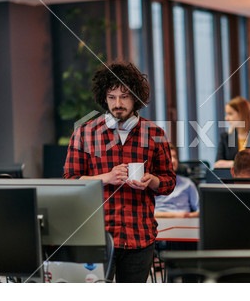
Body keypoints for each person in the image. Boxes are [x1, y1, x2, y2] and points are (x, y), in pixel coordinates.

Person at [63, 61, 176, 283]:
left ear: (136, 98)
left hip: (140, 237)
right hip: (98, 238)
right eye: (112, 97)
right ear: (104, 98)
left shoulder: (155, 133)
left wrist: (152, 180)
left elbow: (169, 182)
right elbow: (70, 182)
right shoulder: (84, 134)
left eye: (124, 96)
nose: (118, 103)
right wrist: (105, 178)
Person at [215, 96, 250, 168]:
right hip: (231, 178)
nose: (226, 118)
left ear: (242, 114)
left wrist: (231, 164)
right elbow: (218, 164)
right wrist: (246, 164)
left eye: (230, 114)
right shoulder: (225, 137)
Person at [155, 143, 199, 218]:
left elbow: (200, 210)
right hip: (159, 222)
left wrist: (188, 216)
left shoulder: (188, 183)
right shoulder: (152, 182)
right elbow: (146, 213)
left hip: (184, 222)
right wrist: (176, 215)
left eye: (175, 157)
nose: (173, 160)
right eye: (169, 157)